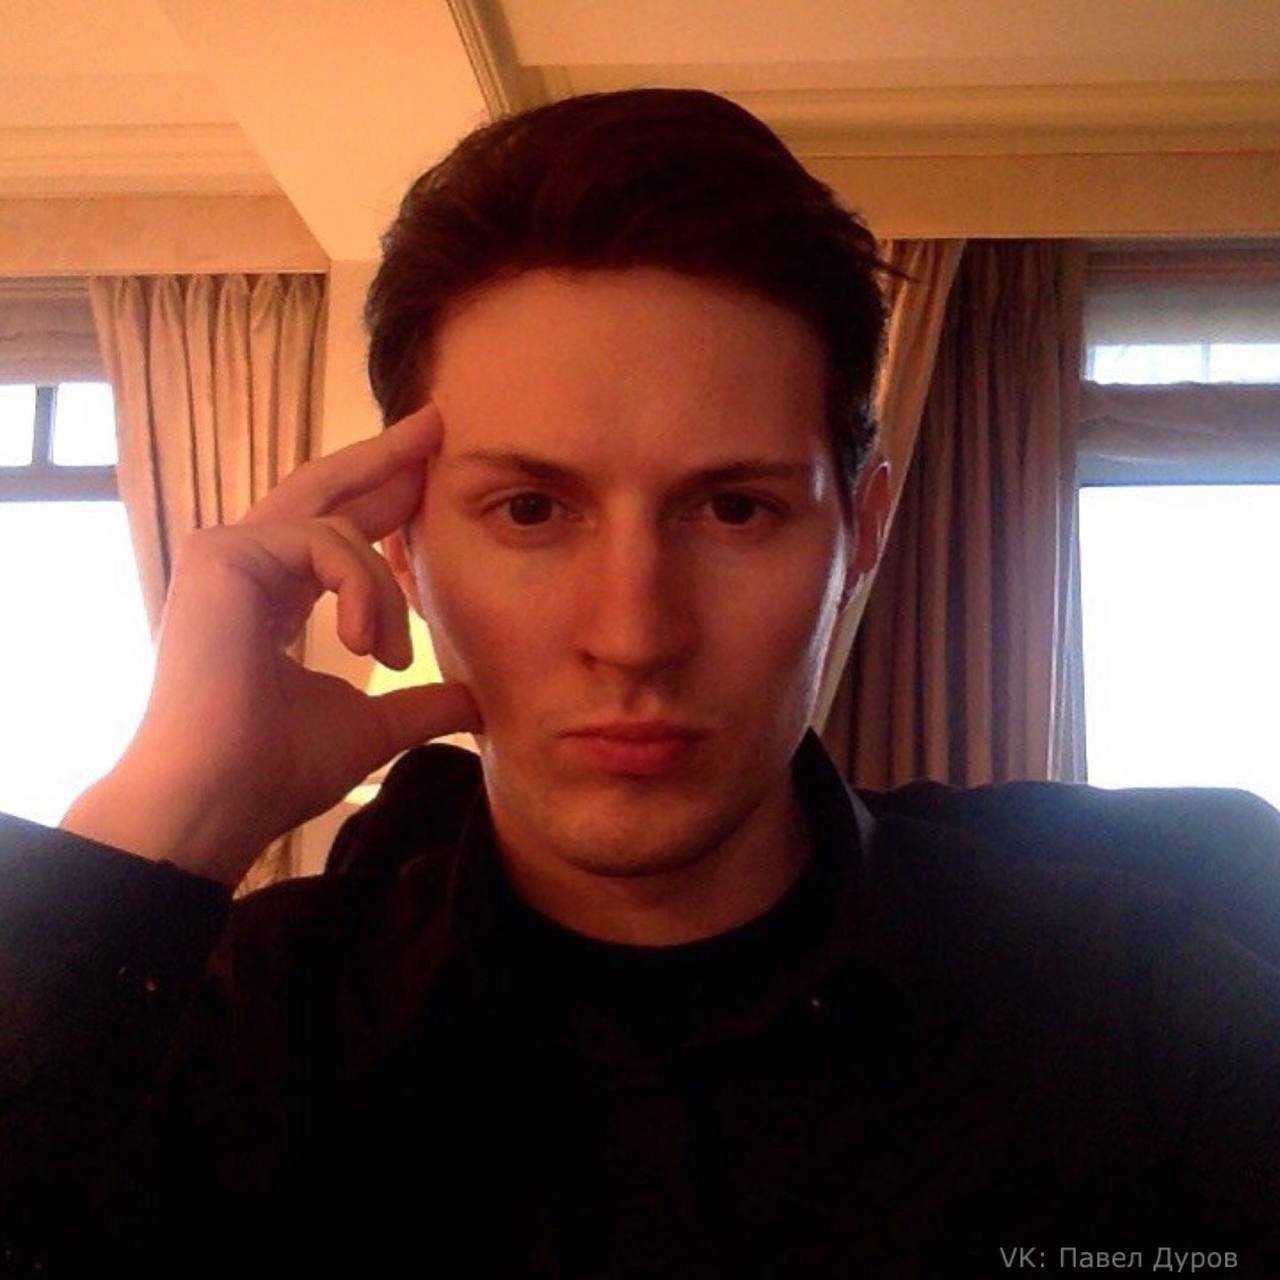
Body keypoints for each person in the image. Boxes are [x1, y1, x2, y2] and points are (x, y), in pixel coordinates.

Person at [1, 88, 1277, 1279]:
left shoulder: (1143, 1013)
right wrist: (161, 815)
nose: (633, 633)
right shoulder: (231, 1031)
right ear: (401, 549)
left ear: (861, 535)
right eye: (529, 508)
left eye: (733, 508)